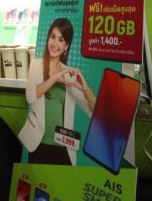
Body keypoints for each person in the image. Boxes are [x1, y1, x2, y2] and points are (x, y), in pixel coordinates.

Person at [18, 17, 95, 165]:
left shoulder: (69, 74)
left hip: (64, 147)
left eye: (61, 40)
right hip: (38, 144)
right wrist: (55, 77)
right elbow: (31, 96)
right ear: (48, 38)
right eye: (53, 37)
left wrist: (85, 89)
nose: (55, 43)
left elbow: (93, 112)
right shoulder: (35, 65)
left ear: (66, 46)